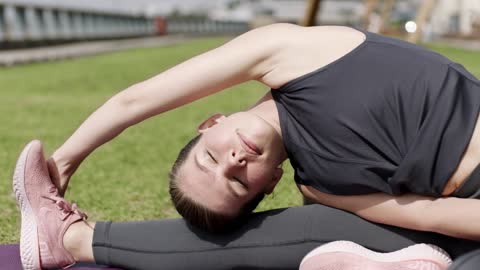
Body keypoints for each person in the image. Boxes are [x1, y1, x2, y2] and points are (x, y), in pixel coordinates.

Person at [12, 23, 480, 270]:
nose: (232, 162)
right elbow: (434, 216)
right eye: (237, 183)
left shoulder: (285, 51)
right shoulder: (322, 187)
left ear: (210, 122)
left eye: (210, 157)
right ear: (271, 183)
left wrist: (68, 158)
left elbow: (137, 100)